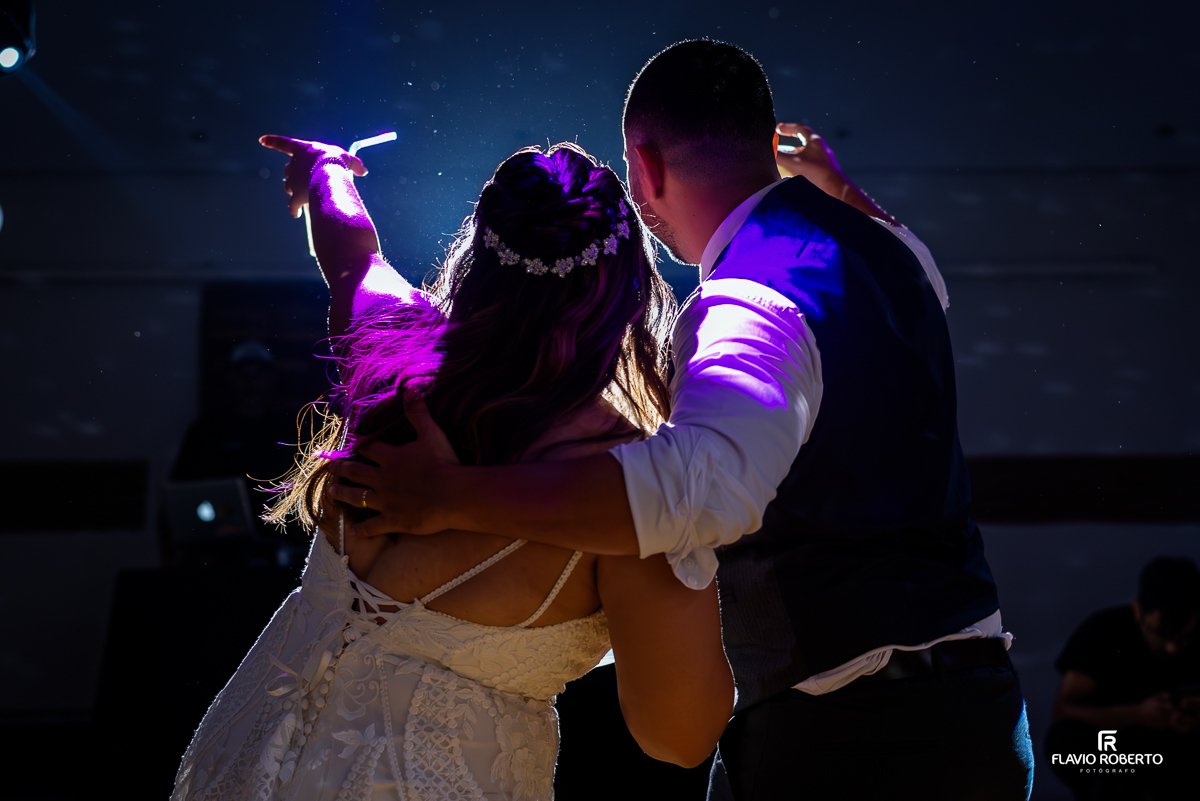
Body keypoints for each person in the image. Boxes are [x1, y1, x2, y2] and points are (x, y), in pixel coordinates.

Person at [327, 39, 1035, 799]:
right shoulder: (897, 255)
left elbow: (698, 488)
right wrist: (836, 188)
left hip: (848, 742)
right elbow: (901, 259)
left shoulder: (747, 300)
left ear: (647, 165)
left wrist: (452, 495)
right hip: (983, 714)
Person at [171, 136, 733, 801]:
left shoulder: (394, 344)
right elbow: (680, 736)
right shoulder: (628, 487)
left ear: (479, 259)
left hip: (245, 763)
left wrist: (326, 170)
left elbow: (352, 252)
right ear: (625, 287)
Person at [1046, 556, 1200, 799]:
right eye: (1161, 633)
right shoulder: (1104, 631)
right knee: (1065, 741)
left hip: (1177, 753)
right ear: (1138, 610)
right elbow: (1064, 713)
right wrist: (1138, 714)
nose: (1172, 648)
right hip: (1119, 755)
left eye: (1183, 636)